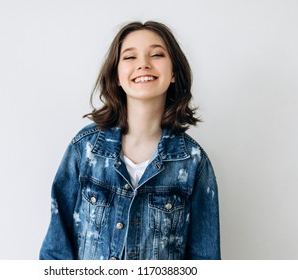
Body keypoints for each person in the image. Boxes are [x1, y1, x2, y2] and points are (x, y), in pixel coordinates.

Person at [39, 21, 220, 260]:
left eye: (156, 54)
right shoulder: (85, 150)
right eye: (130, 57)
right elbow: (56, 250)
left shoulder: (194, 163)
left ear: (174, 73)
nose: (143, 64)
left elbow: (205, 260)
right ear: (116, 76)